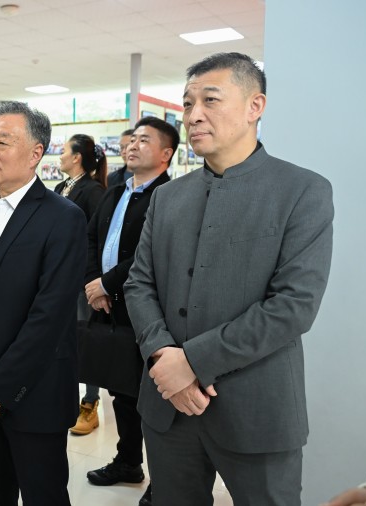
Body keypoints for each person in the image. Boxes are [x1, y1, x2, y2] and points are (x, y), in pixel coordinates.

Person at [124, 52, 334, 506]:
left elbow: (293, 306)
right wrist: (162, 355)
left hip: (257, 409)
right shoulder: (168, 198)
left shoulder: (302, 191)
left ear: (255, 106)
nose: (193, 115)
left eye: (210, 100)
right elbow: (139, 283)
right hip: (168, 406)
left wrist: (191, 362)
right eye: (187, 103)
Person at [0, 101, 87, 506]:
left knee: (44, 496)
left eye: (3, 142)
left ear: (36, 153)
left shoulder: (63, 217)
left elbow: (50, 315)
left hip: (33, 393)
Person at [83, 116, 179, 506]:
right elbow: (91, 239)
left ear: (166, 153)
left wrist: (107, 283)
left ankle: (165, 480)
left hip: (150, 311)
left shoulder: (171, 196)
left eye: (144, 140)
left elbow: (149, 252)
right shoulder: (115, 193)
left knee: (154, 397)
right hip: (109, 307)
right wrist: (94, 283)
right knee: (120, 390)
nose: (132, 145)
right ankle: (127, 462)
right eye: (132, 139)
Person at [54, 133, 107, 436]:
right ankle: (65, 397)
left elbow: (96, 237)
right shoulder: (61, 187)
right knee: (64, 339)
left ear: (76, 157)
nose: (59, 156)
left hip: (81, 278)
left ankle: (90, 402)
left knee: (86, 340)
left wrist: (92, 278)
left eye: (63, 151)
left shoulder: (93, 190)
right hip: (59, 277)